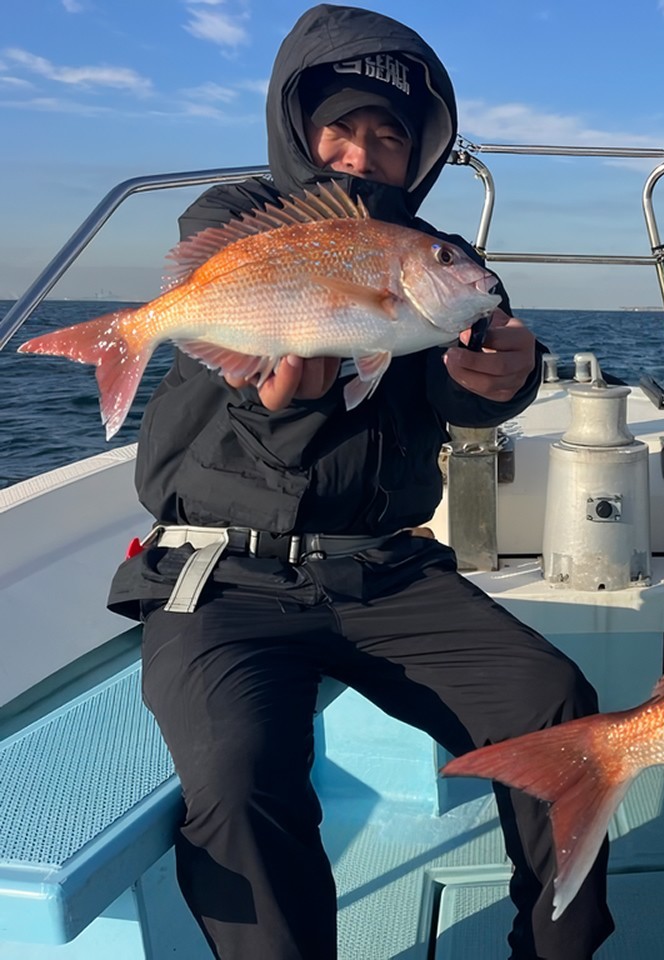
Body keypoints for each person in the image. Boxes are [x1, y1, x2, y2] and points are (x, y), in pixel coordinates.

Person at [105, 6, 613, 959]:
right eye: (340, 126)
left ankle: (556, 951)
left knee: (558, 702)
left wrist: (507, 381)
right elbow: (257, 413)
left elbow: (459, 380)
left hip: (385, 570)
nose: (361, 151)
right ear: (299, 131)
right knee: (239, 770)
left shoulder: (430, 259)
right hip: (220, 574)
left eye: (390, 134)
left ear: (421, 151)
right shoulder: (234, 225)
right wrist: (283, 399)